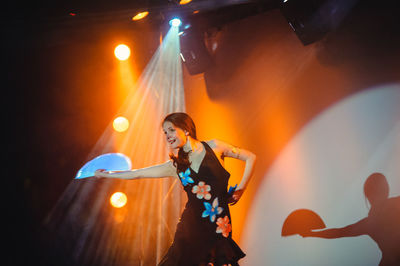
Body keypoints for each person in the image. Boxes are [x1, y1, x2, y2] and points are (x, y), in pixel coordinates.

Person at [95, 112, 256, 266]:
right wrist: (107, 174)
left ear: (186, 129)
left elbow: (250, 157)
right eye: (165, 132)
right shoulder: (176, 166)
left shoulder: (215, 147)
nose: (167, 135)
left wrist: (241, 189)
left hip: (220, 226)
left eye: (171, 130)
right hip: (191, 230)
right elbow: (137, 174)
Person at [299, 173, 400, 266]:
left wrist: (311, 234)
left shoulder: (370, 223)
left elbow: (339, 232)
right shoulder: (371, 222)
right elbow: (339, 232)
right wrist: (312, 234)